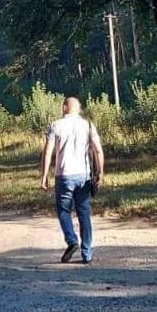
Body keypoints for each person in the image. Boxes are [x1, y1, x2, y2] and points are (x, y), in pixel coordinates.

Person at [40, 97, 104, 264]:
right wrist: (100, 172)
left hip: (64, 175)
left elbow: (48, 152)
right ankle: (87, 253)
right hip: (84, 175)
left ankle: (71, 240)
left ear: (64, 108)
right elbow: (98, 151)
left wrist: (44, 175)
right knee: (84, 213)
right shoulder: (88, 125)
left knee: (63, 211)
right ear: (79, 109)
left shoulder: (56, 125)